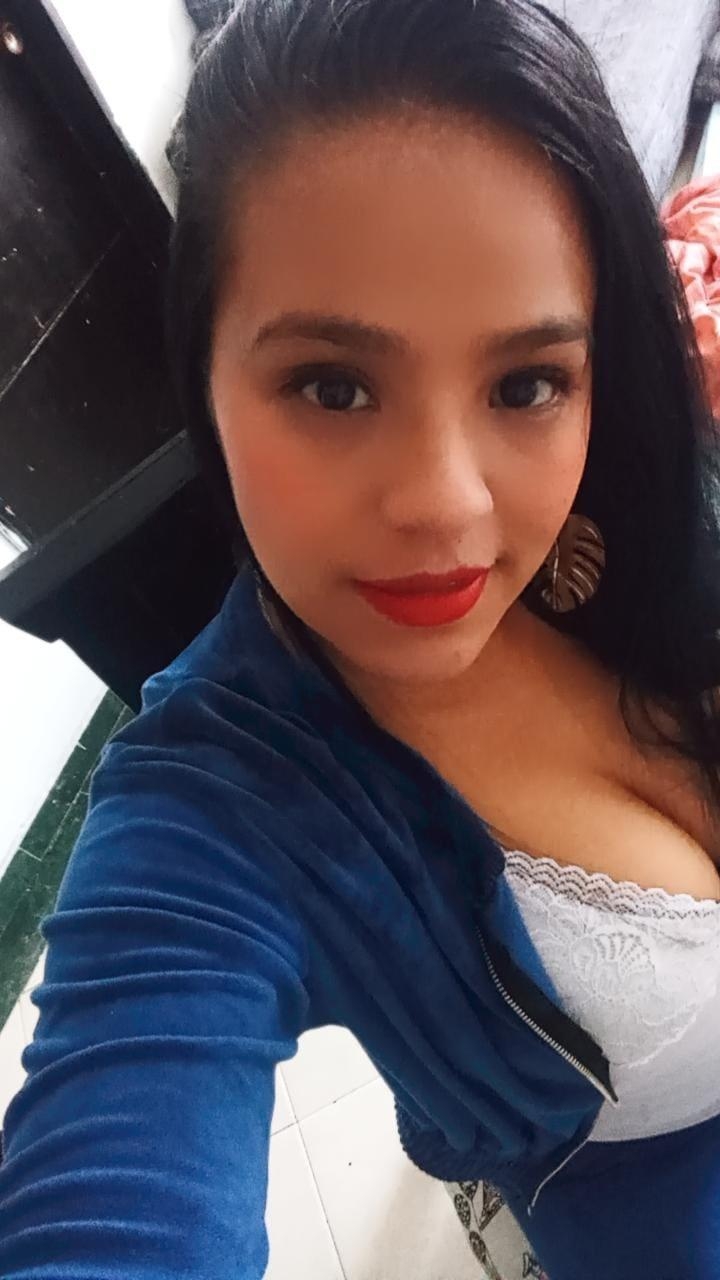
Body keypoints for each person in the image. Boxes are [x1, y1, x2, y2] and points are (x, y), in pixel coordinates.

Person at [2, 0, 720, 1276]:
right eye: (333, 386)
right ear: (202, 375)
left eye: (525, 383)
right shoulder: (221, 812)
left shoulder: (649, 492)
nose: (447, 504)